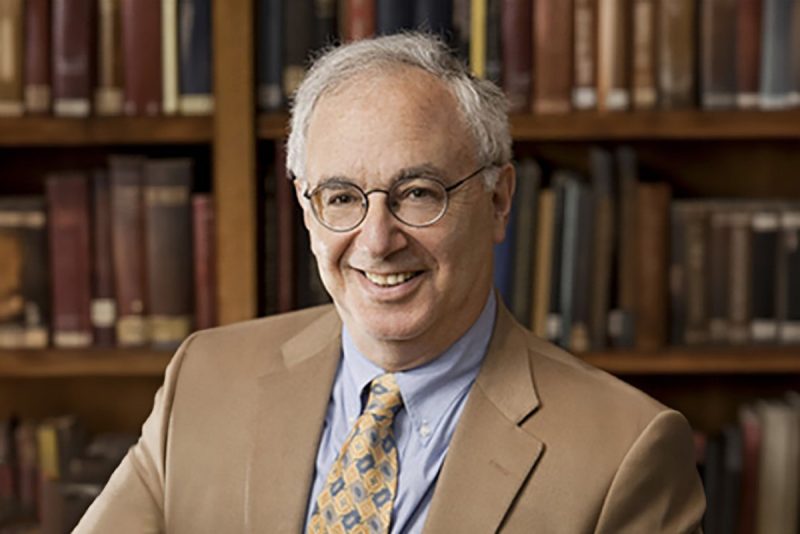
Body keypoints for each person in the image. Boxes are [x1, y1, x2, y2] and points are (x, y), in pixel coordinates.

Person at [76, 33, 705, 533]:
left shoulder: (627, 453)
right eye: (343, 197)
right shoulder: (205, 379)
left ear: (499, 200)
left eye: (418, 193)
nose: (377, 240)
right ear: (304, 207)